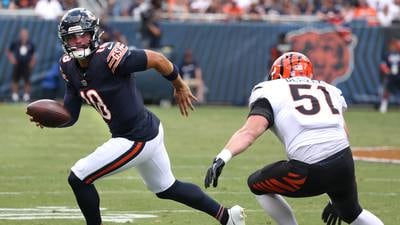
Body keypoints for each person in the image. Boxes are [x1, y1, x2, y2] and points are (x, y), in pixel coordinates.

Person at [28, 8, 245, 225]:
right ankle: (228, 216)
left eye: (82, 35)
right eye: (71, 37)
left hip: (136, 137)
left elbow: (157, 59)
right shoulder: (68, 66)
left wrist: (178, 84)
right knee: (167, 188)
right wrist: (51, 120)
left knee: (79, 177)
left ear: (93, 33)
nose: (78, 41)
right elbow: (71, 114)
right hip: (143, 130)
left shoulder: (110, 57)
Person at [204, 52, 384, 225]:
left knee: (256, 184)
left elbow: (250, 132)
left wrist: (223, 157)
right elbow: (342, 133)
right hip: (343, 163)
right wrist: (334, 195)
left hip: (308, 169)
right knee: (353, 213)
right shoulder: (328, 89)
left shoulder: (270, 90)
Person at [6, 28, 36, 102]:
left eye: (25, 34)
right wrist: (12, 59)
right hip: (17, 64)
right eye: (22, 34)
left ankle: (26, 96)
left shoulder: (30, 44)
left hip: (26, 64)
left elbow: (33, 55)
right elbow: (9, 51)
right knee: (15, 80)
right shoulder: (16, 43)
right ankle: (15, 96)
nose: (24, 35)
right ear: (20, 35)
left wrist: (32, 63)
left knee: (27, 80)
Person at [379, 38, 400, 113]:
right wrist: (387, 71)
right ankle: (383, 106)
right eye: (397, 44)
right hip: (391, 75)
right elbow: (383, 65)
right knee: (387, 91)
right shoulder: (388, 54)